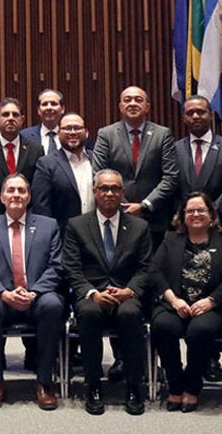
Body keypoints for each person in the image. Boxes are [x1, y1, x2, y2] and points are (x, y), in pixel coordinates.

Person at [63, 169, 151, 416]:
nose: (109, 193)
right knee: (89, 314)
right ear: (94, 192)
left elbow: (146, 267)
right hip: (92, 295)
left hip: (126, 294)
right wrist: (91, 293)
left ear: (123, 192)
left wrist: (129, 290)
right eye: (104, 188)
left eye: (115, 188)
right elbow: (71, 267)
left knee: (130, 315)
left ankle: (134, 386)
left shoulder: (139, 227)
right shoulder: (77, 225)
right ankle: (93, 386)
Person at [0, 175, 64, 411]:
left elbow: (56, 267)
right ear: (2, 197)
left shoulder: (48, 225)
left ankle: (44, 382)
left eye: (22, 191)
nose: (16, 195)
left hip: (37, 297)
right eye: (11, 190)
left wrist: (33, 292)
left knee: (53, 305)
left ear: (29, 197)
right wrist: (4, 293)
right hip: (1, 297)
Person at [148, 192, 222, 413]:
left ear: (211, 215)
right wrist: (172, 298)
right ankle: (175, 384)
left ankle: (192, 387)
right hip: (175, 303)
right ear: (182, 216)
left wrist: (211, 301)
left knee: (200, 330)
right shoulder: (170, 240)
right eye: (190, 210)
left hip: (211, 306)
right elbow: (154, 271)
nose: (196, 214)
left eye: (201, 210)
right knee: (163, 326)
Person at [92, 85, 179, 250]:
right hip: (117, 216)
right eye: (127, 100)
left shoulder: (163, 134)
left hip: (154, 218)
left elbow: (171, 177)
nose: (132, 103)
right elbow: (98, 174)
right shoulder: (106, 134)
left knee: (152, 269)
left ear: (147, 107)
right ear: (120, 107)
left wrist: (145, 205)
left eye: (138, 100)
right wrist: (123, 206)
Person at [176, 96, 222, 237]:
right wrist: (187, 214)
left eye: (201, 112)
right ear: (183, 118)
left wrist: (209, 212)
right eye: (190, 113)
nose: (195, 116)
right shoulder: (175, 149)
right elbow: (171, 186)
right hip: (184, 227)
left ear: (211, 115)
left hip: (220, 225)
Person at [32, 112, 95, 229]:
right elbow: (41, 208)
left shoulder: (97, 160)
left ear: (86, 133)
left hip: (96, 236)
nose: (72, 132)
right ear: (58, 133)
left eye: (77, 128)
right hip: (63, 237)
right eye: (67, 128)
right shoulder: (46, 164)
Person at [20, 88, 66, 155]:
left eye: (53, 104)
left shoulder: (70, 135)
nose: (49, 107)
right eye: (45, 104)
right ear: (38, 110)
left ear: (62, 109)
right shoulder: (24, 136)